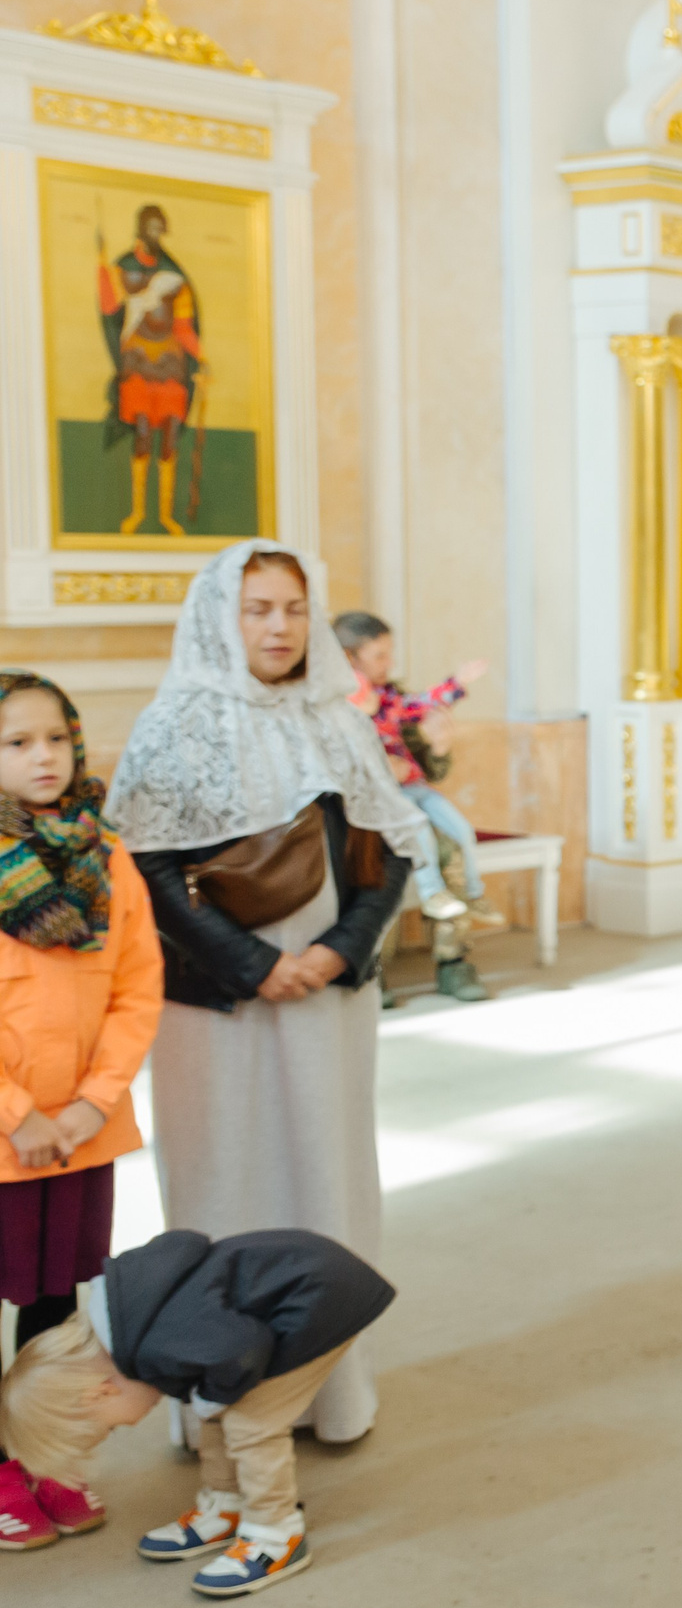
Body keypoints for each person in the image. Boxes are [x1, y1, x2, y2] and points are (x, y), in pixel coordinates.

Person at [106, 541, 423, 1446]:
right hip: (218, 1001)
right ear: (220, 616)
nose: (278, 626)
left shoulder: (339, 717)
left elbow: (390, 846)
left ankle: (330, 1393)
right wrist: (255, 964)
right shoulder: (176, 721)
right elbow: (149, 865)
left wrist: (334, 951)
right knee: (219, 1181)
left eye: (292, 607)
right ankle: (213, 1397)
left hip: (327, 992)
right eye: (257, 609)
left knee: (329, 1174)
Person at [0, 1227, 395, 1598]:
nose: (128, 1425)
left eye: (112, 1427)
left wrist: (216, 1397)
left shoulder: (160, 1344)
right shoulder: (132, 1323)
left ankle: (276, 1534)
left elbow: (244, 1347)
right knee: (216, 1403)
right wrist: (214, 1398)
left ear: (99, 1393)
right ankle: (227, 1505)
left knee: (251, 1422)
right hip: (305, 1280)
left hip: (319, 1299)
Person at [0, 672, 163, 1552]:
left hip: (81, 1134)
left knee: (57, 1304)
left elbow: (138, 989)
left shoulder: (109, 859)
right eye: (15, 742)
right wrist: (18, 1114)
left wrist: (92, 1103)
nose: (41, 757)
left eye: (54, 739)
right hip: (6, 1136)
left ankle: (45, 1455)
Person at [333, 610, 493, 1002]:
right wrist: (371, 768)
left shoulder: (390, 699)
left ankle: (453, 961)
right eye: (380, 656)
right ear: (350, 659)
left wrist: (437, 748)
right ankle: (371, 968)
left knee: (446, 843)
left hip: (407, 799)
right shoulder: (325, 706)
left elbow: (427, 768)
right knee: (369, 865)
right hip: (352, 815)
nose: (388, 665)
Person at [95, 204, 200, 539]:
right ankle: (138, 512)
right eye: (151, 228)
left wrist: (201, 358)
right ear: (141, 230)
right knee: (142, 432)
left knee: (169, 436)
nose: (156, 235)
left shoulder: (174, 275)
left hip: (170, 363)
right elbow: (110, 306)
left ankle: (167, 517)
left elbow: (184, 324)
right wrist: (100, 264)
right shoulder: (124, 266)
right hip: (139, 360)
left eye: (161, 229)